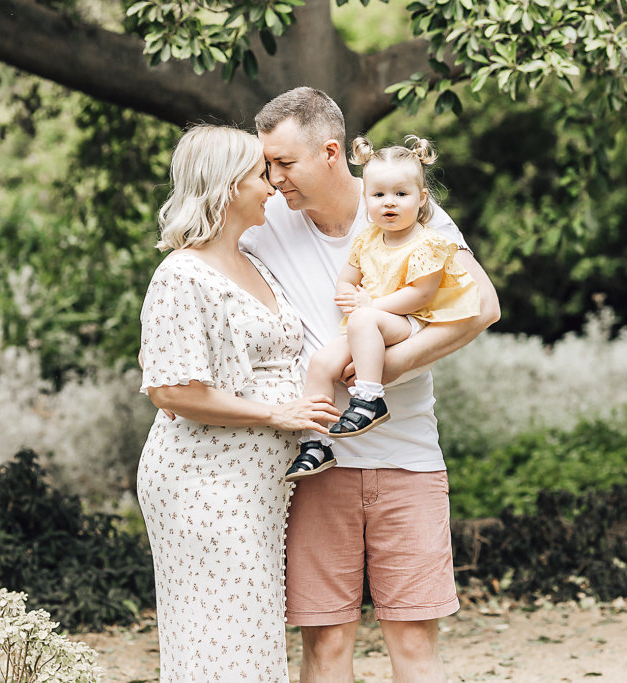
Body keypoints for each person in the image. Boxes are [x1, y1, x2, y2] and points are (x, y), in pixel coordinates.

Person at [241, 87, 501, 683]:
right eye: (266, 165)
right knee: (325, 652)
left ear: (330, 152)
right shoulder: (264, 219)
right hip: (315, 464)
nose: (273, 178)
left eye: (285, 163)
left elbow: (482, 306)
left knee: (414, 650)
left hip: (408, 458)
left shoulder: (402, 206)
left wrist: (389, 365)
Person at [136, 124, 340, 682]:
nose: (273, 186)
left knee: (250, 631)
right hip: (202, 481)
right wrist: (278, 414)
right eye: (259, 175)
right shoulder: (180, 274)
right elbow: (172, 389)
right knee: (217, 636)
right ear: (227, 187)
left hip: (258, 485)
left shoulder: (256, 262)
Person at [283, 134, 480, 481]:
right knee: (321, 363)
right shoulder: (368, 239)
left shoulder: (428, 243)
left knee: (363, 321)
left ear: (421, 198)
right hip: (368, 323)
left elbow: (420, 295)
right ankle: (316, 443)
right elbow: (346, 279)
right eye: (378, 195)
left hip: (407, 323)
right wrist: (347, 293)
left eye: (400, 194)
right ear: (366, 198)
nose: (389, 203)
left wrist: (369, 305)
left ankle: (370, 398)